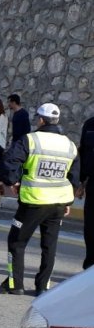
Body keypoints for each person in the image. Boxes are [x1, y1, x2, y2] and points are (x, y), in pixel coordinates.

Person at [0, 103, 78, 295]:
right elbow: (74, 175)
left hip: (34, 201)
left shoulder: (31, 140)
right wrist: (67, 201)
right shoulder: (69, 144)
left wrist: (12, 182)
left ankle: (15, 284)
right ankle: (43, 287)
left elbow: (9, 161)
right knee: (49, 246)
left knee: (16, 242)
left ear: (41, 120)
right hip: (58, 204)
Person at [77, 115, 94, 270]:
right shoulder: (90, 124)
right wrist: (81, 182)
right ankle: (90, 268)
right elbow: (83, 153)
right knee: (90, 228)